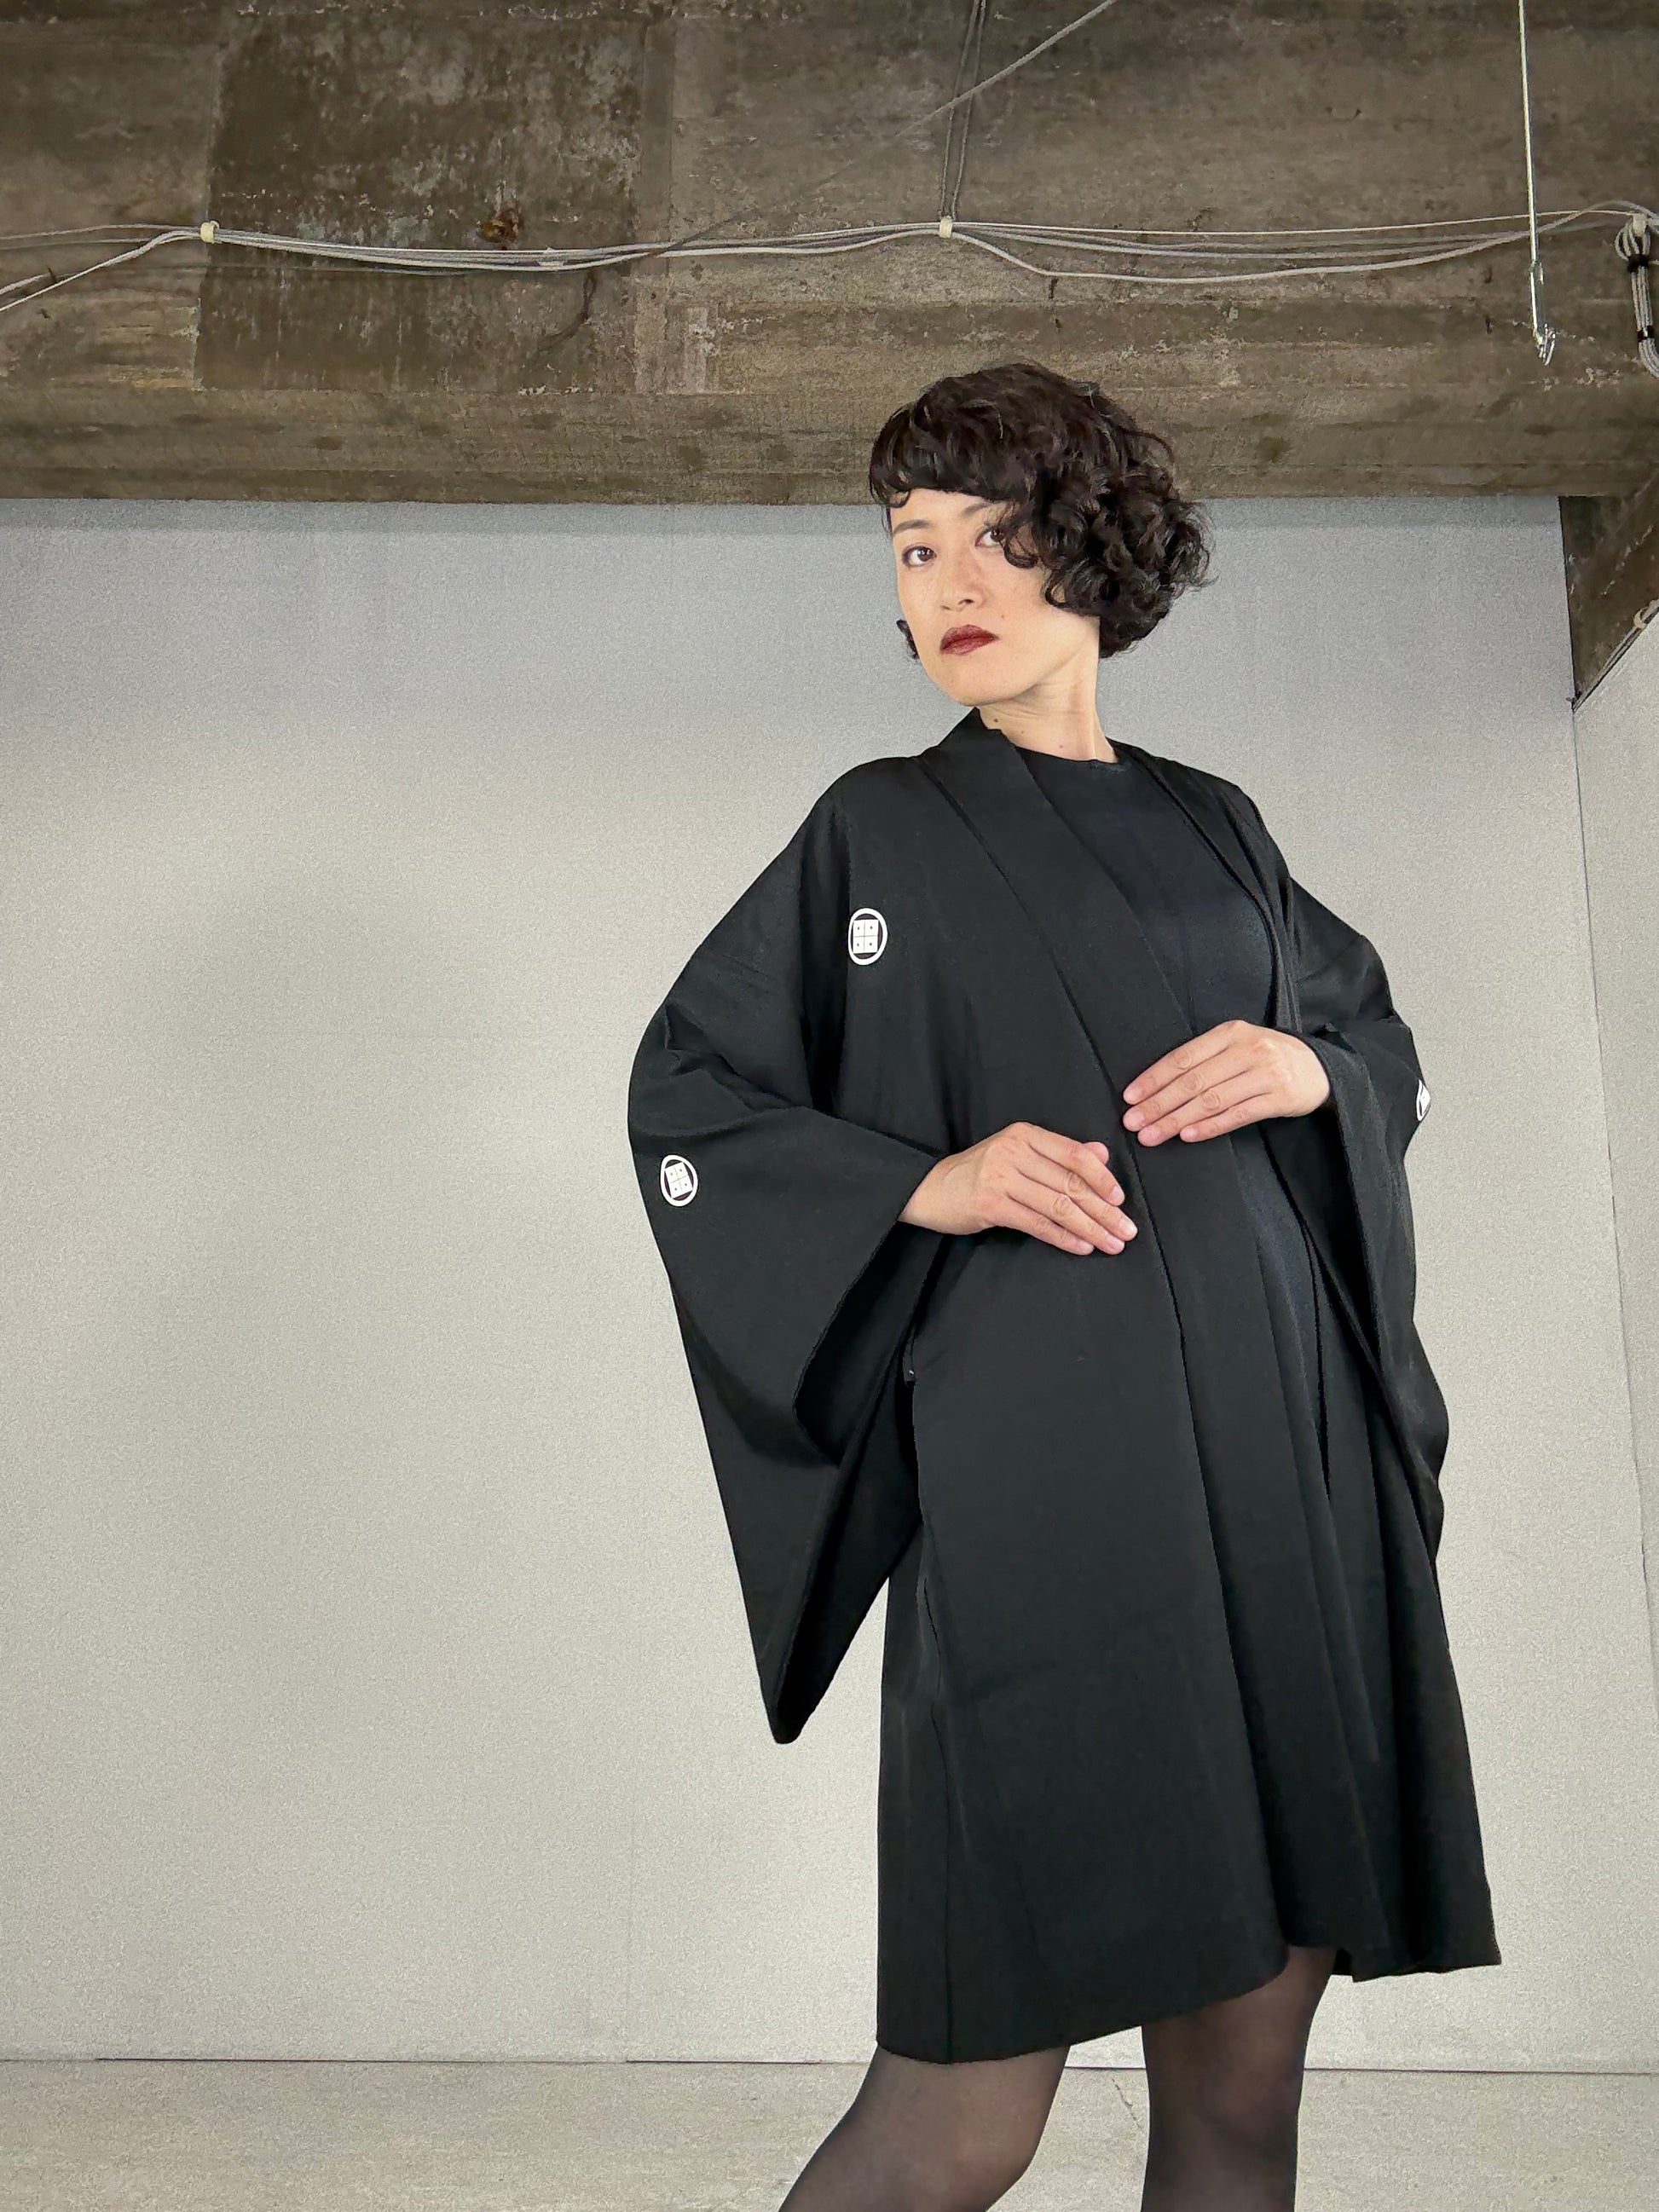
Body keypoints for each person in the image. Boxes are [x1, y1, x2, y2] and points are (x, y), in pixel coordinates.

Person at [627, 360, 1500, 2211]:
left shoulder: (1218, 823)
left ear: (1091, 552)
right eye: (912, 545)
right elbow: (692, 1095)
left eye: (995, 536)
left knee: (1244, 2084)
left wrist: (1309, 1070)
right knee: (961, 2119)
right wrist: (924, 1180)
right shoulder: (876, 826)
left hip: (1283, 1473)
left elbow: (1368, 1039)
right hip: (1047, 1480)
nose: (947, 581)